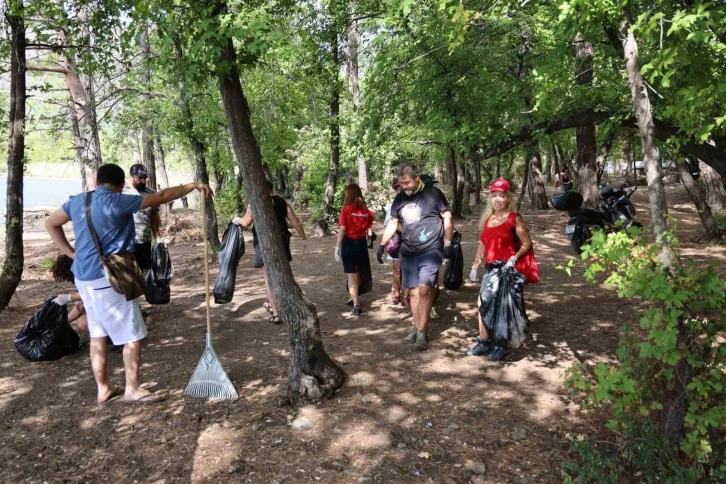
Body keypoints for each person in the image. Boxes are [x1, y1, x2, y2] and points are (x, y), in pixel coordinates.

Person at [44, 163, 212, 405]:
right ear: (122, 184)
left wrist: (72, 254)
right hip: (109, 277)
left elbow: (51, 223)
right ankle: (132, 389)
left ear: (96, 181)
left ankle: (103, 389)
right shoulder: (119, 201)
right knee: (132, 334)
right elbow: (162, 196)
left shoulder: (78, 201)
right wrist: (193, 185)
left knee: (98, 334)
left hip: (83, 276)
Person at [377, 163, 454, 351]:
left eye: (407, 182)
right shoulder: (400, 199)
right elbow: (393, 223)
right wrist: (381, 245)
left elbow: (447, 217)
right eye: (401, 183)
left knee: (425, 289)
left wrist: (448, 244)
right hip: (408, 252)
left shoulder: (433, 194)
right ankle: (417, 326)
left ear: (417, 178)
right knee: (411, 292)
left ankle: (421, 331)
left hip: (431, 250)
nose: (404, 187)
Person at [467, 178, 533, 361]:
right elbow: (483, 242)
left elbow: (527, 243)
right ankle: (484, 342)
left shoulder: (514, 218)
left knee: (501, 306)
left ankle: (500, 345)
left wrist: (514, 258)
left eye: (501, 196)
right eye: (494, 195)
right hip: (491, 268)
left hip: (507, 269)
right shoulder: (489, 219)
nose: (497, 199)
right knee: (483, 303)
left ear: (508, 198)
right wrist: (475, 264)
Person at [233, 179, 308, 324]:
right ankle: (283, 305)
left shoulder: (255, 202)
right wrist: (304, 239)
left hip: (263, 243)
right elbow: (296, 221)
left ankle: (275, 312)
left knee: (268, 278)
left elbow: (245, 223)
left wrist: (236, 219)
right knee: (282, 272)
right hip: (282, 240)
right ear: (272, 189)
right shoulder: (282, 202)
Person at [50, 254, 124, 352]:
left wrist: (69, 298)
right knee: (80, 307)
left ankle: (117, 338)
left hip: (113, 305)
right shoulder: (84, 272)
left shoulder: (85, 276)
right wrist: (61, 323)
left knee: (84, 323)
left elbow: (90, 292)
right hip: (110, 303)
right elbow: (81, 304)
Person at [335, 184, 374, 316]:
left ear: (349, 194)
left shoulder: (346, 209)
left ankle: (356, 303)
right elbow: (369, 232)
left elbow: (343, 229)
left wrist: (337, 246)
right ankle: (353, 296)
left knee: (351, 274)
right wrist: (368, 239)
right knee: (357, 272)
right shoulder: (366, 211)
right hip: (361, 244)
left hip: (349, 244)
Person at [124, 164, 160, 278]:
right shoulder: (122, 193)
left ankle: (146, 293)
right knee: (131, 272)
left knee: (146, 271)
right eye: (140, 178)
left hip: (145, 239)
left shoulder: (151, 193)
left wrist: (156, 235)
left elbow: (154, 215)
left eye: (145, 177)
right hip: (128, 241)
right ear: (132, 177)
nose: (143, 181)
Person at [383, 179, 403, 305]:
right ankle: (396, 293)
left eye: (400, 187)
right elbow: (388, 225)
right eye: (396, 188)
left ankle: (408, 294)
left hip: (411, 241)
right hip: (396, 241)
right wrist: (384, 243)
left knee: (409, 269)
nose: (399, 190)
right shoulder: (392, 206)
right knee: (397, 269)